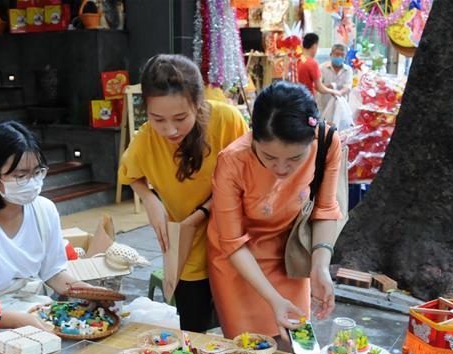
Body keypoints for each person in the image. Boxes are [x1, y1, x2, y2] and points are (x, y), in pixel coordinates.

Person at [118, 54, 247, 332]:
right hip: (188, 249)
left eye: (180, 118)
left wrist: (202, 213)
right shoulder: (145, 141)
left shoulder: (227, 121)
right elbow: (130, 175)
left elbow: (245, 180)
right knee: (194, 334)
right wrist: (150, 199)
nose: (170, 129)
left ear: (198, 103)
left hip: (236, 243)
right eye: (158, 119)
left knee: (242, 333)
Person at [208, 81, 343, 338]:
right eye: (268, 157)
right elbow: (232, 242)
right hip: (237, 260)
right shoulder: (232, 161)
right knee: (248, 347)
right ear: (253, 139)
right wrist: (273, 298)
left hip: (288, 254)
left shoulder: (326, 143)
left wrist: (320, 266)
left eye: (295, 159)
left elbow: (325, 209)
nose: (281, 169)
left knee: (293, 343)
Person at [0, 121, 99, 330]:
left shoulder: (44, 211)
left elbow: (54, 273)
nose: (32, 182)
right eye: (20, 176)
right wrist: (20, 321)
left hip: (36, 314)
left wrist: (87, 291)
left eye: (37, 172)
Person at [297, 33, 345, 101]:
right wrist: (334, 92)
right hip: (307, 100)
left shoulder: (298, 60)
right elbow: (320, 88)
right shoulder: (312, 63)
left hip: (297, 99)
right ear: (314, 46)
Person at [317, 43, 354, 115]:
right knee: (324, 125)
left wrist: (339, 93)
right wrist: (328, 88)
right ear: (331, 55)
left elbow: (347, 87)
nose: (339, 57)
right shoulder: (322, 68)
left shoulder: (348, 70)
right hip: (323, 106)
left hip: (340, 107)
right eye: (337, 54)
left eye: (342, 55)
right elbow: (318, 86)